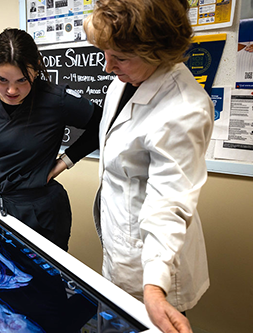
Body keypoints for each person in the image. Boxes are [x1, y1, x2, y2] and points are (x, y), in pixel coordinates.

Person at [83, 0, 212, 332]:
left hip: (153, 262)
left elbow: (169, 201)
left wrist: (154, 287)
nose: (107, 67)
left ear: (159, 53)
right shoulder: (127, 78)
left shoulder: (184, 109)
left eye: (120, 58)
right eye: (105, 53)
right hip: (121, 246)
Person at [0, 28, 101, 251]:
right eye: (1, 79)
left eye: (22, 80)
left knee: (44, 280)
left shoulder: (57, 100)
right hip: (0, 207)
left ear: (35, 69)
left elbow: (102, 124)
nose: (11, 90)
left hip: (43, 212)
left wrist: (63, 162)